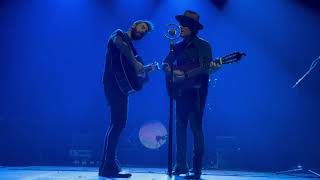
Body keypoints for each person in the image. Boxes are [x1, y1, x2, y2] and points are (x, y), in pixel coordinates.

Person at [162, 10, 220, 179]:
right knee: (180, 126)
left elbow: (206, 67)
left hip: (197, 91)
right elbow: (166, 62)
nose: (181, 28)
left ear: (192, 28)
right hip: (180, 91)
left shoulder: (204, 45)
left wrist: (185, 75)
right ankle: (180, 165)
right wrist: (170, 71)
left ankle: (196, 169)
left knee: (195, 127)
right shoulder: (177, 46)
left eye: (184, 26)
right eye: (180, 26)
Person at [99, 20, 154, 178]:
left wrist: (145, 70)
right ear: (134, 25)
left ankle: (108, 165)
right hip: (113, 84)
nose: (143, 32)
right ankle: (109, 165)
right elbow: (120, 46)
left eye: (145, 31)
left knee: (118, 123)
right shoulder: (118, 34)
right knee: (118, 123)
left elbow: (134, 74)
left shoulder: (132, 48)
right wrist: (135, 62)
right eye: (142, 27)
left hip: (121, 87)